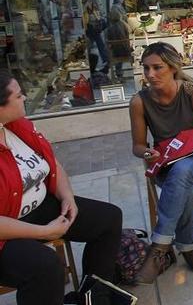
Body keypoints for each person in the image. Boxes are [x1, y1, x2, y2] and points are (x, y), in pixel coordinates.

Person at [0, 70, 123, 305]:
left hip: (37, 209)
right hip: (5, 232)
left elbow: (51, 164)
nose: (25, 98)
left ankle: (95, 298)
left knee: (108, 219)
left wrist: (67, 196)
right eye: (18, 96)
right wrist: (44, 232)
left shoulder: (17, 127)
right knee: (46, 267)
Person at [128, 42, 193, 284]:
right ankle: (188, 244)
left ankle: (159, 248)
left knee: (184, 171)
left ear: (173, 68)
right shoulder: (139, 102)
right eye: (145, 69)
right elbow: (138, 146)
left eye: (157, 68)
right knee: (187, 188)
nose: (150, 75)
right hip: (166, 163)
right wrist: (146, 154)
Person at [83, 0, 110, 75]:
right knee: (98, 44)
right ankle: (104, 59)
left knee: (94, 44)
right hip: (93, 28)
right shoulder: (90, 6)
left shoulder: (90, 6)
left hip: (92, 28)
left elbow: (92, 16)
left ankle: (102, 59)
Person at [106, 2, 132, 83]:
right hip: (126, 52)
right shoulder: (123, 25)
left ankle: (119, 75)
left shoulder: (108, 29)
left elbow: (108, 42)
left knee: (114, 52)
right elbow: (130, 31)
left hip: (115, 54)